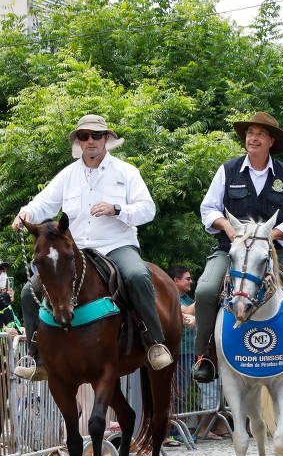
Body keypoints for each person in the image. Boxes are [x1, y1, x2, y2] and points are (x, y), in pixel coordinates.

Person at [11, 114, 174, 381]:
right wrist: (25, 213)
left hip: (116, 245)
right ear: (79, 141)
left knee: (137, 275)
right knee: (29, 289)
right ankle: (36, 357)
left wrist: (116, 209)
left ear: (106, 139)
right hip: (77, 251)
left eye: (96, 135)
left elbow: (148, 210)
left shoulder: (126, 172)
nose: (90, 141)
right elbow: (44, 203)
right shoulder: (67, 175)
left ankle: (154, 342)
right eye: (84, 136)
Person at [192, 112, 283, 385]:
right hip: (231, 249)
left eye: (260, 134)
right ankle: (204, 356)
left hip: (278, 250)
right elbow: (208, 209)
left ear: (270, 142)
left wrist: (269, 237)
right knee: (205, 291)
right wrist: (229, 230)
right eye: (250, 133)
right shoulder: (227, 170)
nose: (253, 138)